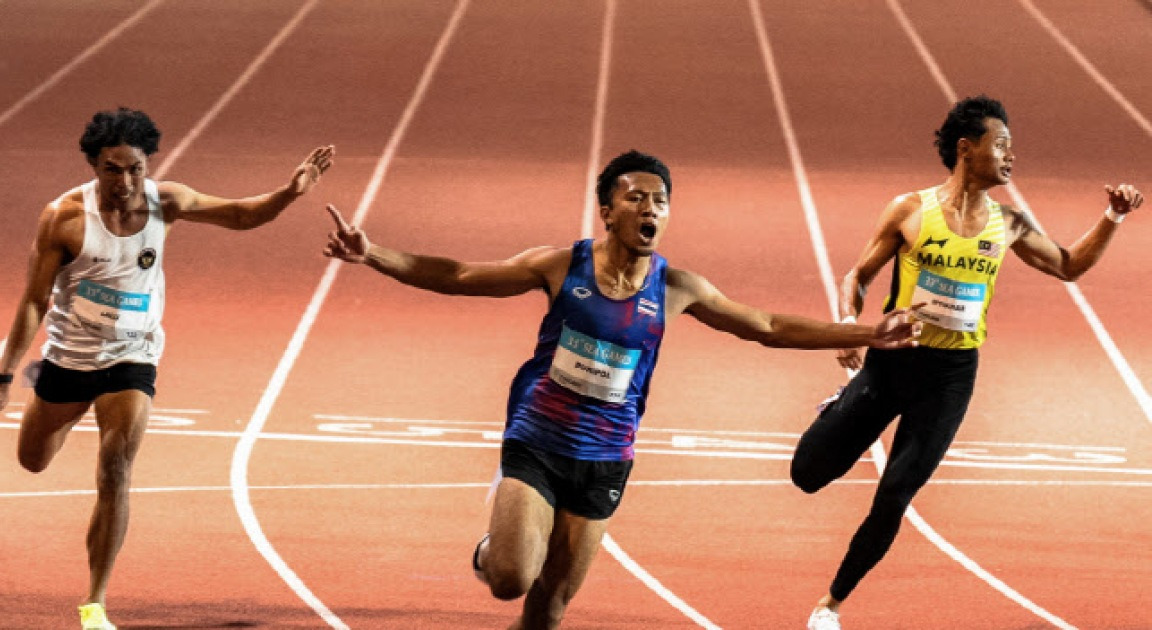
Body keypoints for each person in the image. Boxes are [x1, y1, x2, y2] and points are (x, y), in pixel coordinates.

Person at [321, 150, 925, 630]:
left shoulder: (678, 287)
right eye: (636, 197)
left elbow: (765, 327)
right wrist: (375, 255)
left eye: (661, 200)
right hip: (537, 440)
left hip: (606, 458)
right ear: (606, 211)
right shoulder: (561, 266)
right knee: (510, 578)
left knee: (549, 612)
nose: (651, 208)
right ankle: (492, 546)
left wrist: (869, 331)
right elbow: (457, 276)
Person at [0, 107, 334, 630]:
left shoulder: (167, 201)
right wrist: (3, 379)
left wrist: (292, 190)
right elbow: (33, 301)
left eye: (135, 168)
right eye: (113, 169)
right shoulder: (64, 217)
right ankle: (41, 390)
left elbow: (242, 215)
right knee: (32, 461)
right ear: (94, 166)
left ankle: (95, 606)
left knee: (115, 468)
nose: (126, 181)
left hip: (132, 354)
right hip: (70, 354)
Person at [791, 95, 1144, 630]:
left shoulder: (1009, 225)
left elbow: (1070, 266)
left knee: (895, 494)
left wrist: (1113, 215)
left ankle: (830, 604)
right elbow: (857, 277)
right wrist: (848, 324)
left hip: (951, 377)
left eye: (1012, 147)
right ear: (966, 148)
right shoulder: (911, 210)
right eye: (1001, 144)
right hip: (892, 364)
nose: (1011, 156)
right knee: (808, 474)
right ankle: (838, 406)